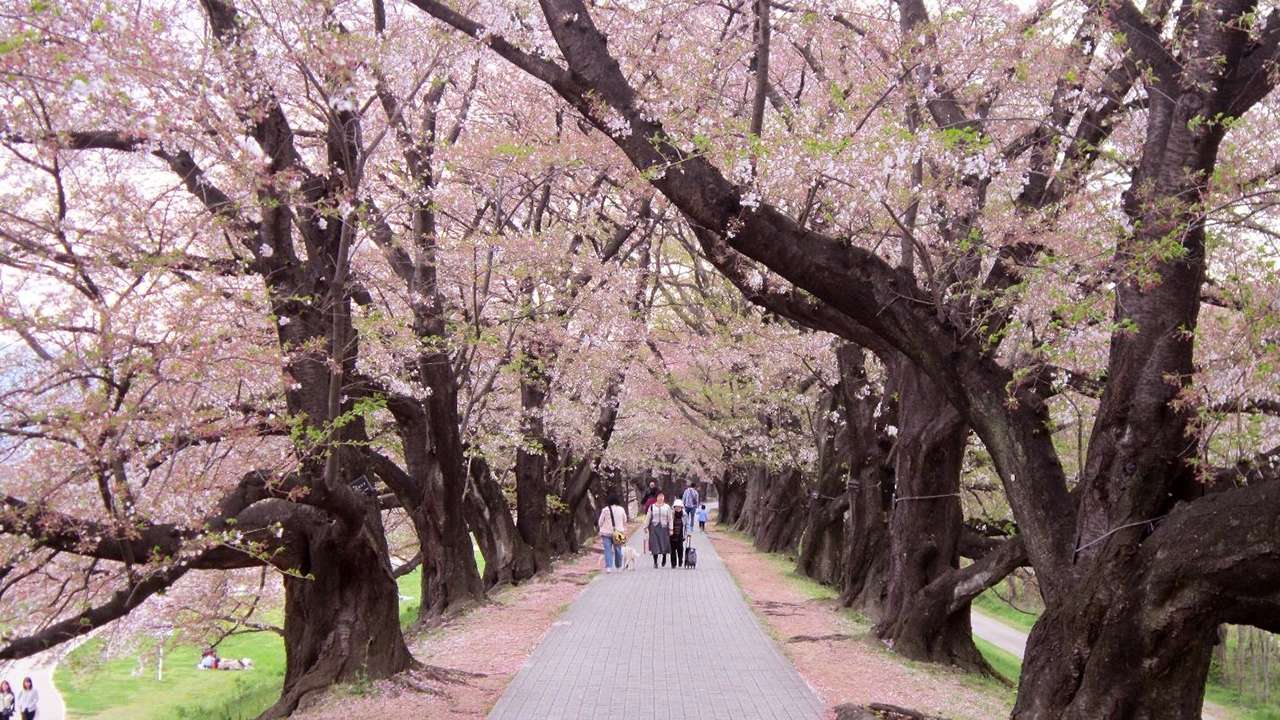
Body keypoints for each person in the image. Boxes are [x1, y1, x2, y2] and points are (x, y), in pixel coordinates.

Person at [597, 494, 628, 572]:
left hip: (606, 533)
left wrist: (602, 527)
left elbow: (600, 522)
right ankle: (619, 566)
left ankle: (609, 567)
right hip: (618, 532)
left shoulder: (605, 510)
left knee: (607, 550)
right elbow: (625, 520)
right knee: (618, 549)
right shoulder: (621, 509)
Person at [646, 491, 672, 568]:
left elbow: (670, 518)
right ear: (656, 498)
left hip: (664, 527)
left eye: (662, 496)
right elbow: (648, 517)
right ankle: (655, 562)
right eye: (659, 496)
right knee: (655, 545)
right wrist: (645, 526)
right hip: (654, 527)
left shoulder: (667, 507)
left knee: (664, 544)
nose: (660, 498)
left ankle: (664, 557)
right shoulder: (652, 507)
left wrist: (671, 529)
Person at [670, 500, 687, 567]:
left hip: (680, 534)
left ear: (682, 507)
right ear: (674, 507)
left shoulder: (684, 515)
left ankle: (680, 560)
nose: (678, 508)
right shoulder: (671, 514)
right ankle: (673, 564)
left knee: (680, 549)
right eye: (676, 507)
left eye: (679, 507)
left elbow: (686, 525)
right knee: (672, 550)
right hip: (672, 534)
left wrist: (687, 533)